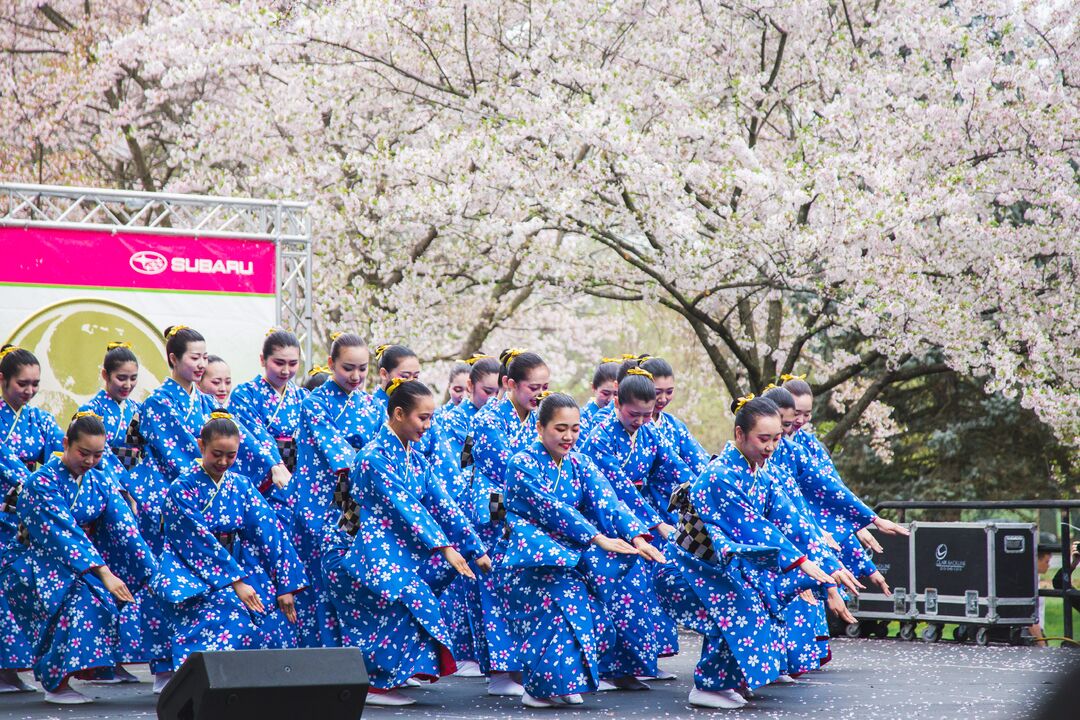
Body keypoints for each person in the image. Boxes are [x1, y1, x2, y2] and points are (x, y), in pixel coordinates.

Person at [126, 325, 288, 690]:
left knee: (217, 596)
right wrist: (202, 485)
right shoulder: (157, 403)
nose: (201, 365)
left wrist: (271, 463)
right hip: (177, 505)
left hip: (212, 502)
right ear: (173, 359)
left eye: (204, 357)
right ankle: (167, 668)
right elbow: (174, 456)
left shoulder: (206, 404)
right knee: (170, 591)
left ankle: (208, 668)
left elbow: (239, 441)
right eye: (194, 357)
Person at [653, 395, 841, 709]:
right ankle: (708, 686)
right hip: (686, 568)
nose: (770, 447)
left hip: (718, 570)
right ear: (740, 434)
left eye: (776, 439)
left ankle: (727, 682)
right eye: (763, 439)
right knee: (736, 612)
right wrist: (801, 561)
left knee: (753, 607)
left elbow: (792, 520)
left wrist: (830, 563)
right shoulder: (719, 476)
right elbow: (752, 525)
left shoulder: (760, 475)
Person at [321, 379, 490, 706]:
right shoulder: (373, 457)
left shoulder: (415, 457)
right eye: (422, 418)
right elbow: (404, 505)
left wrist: (474, 546)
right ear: (398, 413)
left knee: (419, 595)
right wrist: (445, 547)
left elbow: (443, 503)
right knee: (409, 596)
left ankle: (394, 672)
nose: (428, 426)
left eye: (430, 419)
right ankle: (375, 683)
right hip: (357, 546)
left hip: (394, 546)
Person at [493, 392, 665, 707]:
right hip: (530, 559)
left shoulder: (579, 462)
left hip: (569, 555)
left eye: (574, 428)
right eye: (560, 428)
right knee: (558, 616)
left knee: (586, 617)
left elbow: (608, 502)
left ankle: (561, 682)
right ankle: (539, 688)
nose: (569, 436)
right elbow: (552, 508)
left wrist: (638, 537)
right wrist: (595, 538)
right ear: (540, 428)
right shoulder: (521, 464)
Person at [5, 412, 155, 704]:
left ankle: (80, 672)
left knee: (125, 593)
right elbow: (64, 533)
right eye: (83, 453)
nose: (90, 461)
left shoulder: (100, 480)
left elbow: (125, 528)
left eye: (98, 455)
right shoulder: (41, 482)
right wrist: (103, 572)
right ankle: (56, 683)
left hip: (79, 561)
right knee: (80, 596)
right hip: (34, 559)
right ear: (66, 444)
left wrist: (151, 571)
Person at [151, 413, 307, 674]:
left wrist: (285, 583)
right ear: (201, 446)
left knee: (273, 615)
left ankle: (258, 685)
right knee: (229, 615)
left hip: (236, 565)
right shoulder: (182, 488)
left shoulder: (241, 485)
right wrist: (235, 582)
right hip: (192, 571)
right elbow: (196, 541)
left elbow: (270, 531)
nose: (224, 462)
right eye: (216, 454)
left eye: (231, 455)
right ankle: (199, 680)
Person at [578, 368, 686, 685]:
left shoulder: (650, 433)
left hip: (638, 515)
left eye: (646, 414)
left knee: (641, 595)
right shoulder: (599, 439)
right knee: (616, 595)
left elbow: (674, 467)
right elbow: (617, 489)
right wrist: (655, 522)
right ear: (616, 404)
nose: (640, 420)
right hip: (605, 519)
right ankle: (610, 667)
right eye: (633, 413)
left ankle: (634, 665)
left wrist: (702, 491)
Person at [465, 348, 550, 695]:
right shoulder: (487, 420)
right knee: (495, 591)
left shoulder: (538, 419)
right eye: (534, 387)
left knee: (524, 592)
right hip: (496, 508)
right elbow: (511, 469)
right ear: (509, 384)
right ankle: (500, 673)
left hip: (527, 509)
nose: (541, 394)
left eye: (546, 386)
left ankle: (521, 668)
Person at [287, 332, 374, 647]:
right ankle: (322, 655)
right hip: (322, 500)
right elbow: (334, 449)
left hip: (355, 498)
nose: (356, 376)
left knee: (351, 577)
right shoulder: (314, 402)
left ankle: (356, 655)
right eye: (348, 368)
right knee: (321, 580)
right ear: (330, 364)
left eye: (362, 369)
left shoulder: (369, 403)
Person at [78, 341, 148, 683]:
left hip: (128, 499)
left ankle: (117, 656)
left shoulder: (135, 409)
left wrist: (135, 490)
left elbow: (136, 454)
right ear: (104, 374)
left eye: (133, 378)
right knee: (102, 580)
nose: (128, 384)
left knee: (127, 578)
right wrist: (119, 490)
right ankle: (96, 661)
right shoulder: (89, 411)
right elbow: (95, 457)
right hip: (100, 498)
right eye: (121, 377)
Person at [0, 345, 64, 693]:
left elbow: (59, 452)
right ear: (3, 380)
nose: (29, 391)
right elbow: (5, 461)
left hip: (24, 514)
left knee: (24, 587)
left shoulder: (39, 418)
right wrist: (32, 481)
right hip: (4, 505)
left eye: (35, 384)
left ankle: (13, 667)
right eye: (22, 384)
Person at [228, 329, 308, 531]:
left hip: (296, 478)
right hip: (263, 474)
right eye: (279, 363)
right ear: (263, 359)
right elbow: (254, 435)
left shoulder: (304, 397)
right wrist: (275, 465)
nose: (286, 370)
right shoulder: (244, 394)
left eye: (293, 364)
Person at [639, 356, 709, 474]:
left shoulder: (675, 426)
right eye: (657, 392)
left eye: (669, 392)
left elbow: (700, 462)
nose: (663, 399)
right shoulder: (633, 424)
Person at [579, 359, 619, 439]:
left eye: (616, 394)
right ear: (593, 387)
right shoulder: (581, 416)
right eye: (605, 393)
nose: (611, 399)